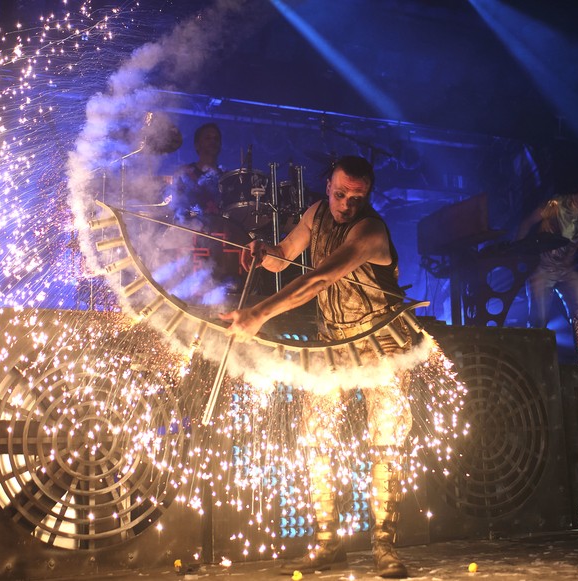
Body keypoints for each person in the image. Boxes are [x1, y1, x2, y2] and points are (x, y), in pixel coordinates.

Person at [220, 156, 414, 578]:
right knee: (315, 440)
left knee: (385, 444)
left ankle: (384, 546)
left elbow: (318, 279)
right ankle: (328, 542)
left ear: (368, 197)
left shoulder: (369, 230)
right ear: (328, 186)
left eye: (356, 198)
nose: (346, 204)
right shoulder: (315, 213)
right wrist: (263, 252)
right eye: (341, 194)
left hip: (381, 342)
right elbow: (284, 257)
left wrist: (258, 314)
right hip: (334, 342)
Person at [516, 174, 578, 364]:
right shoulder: (557, 203)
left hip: (567, 269)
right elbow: (527, 223)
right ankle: (534, 360)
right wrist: (520, 254)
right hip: (542, 267)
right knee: (539, 318)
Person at [172, 122, 224, 217]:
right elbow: (176, 207)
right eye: (208, 138)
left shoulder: (226, 178)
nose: (213, 141)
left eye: (216, 139)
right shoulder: (184, 174)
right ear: (197, 145)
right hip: (188, 229)